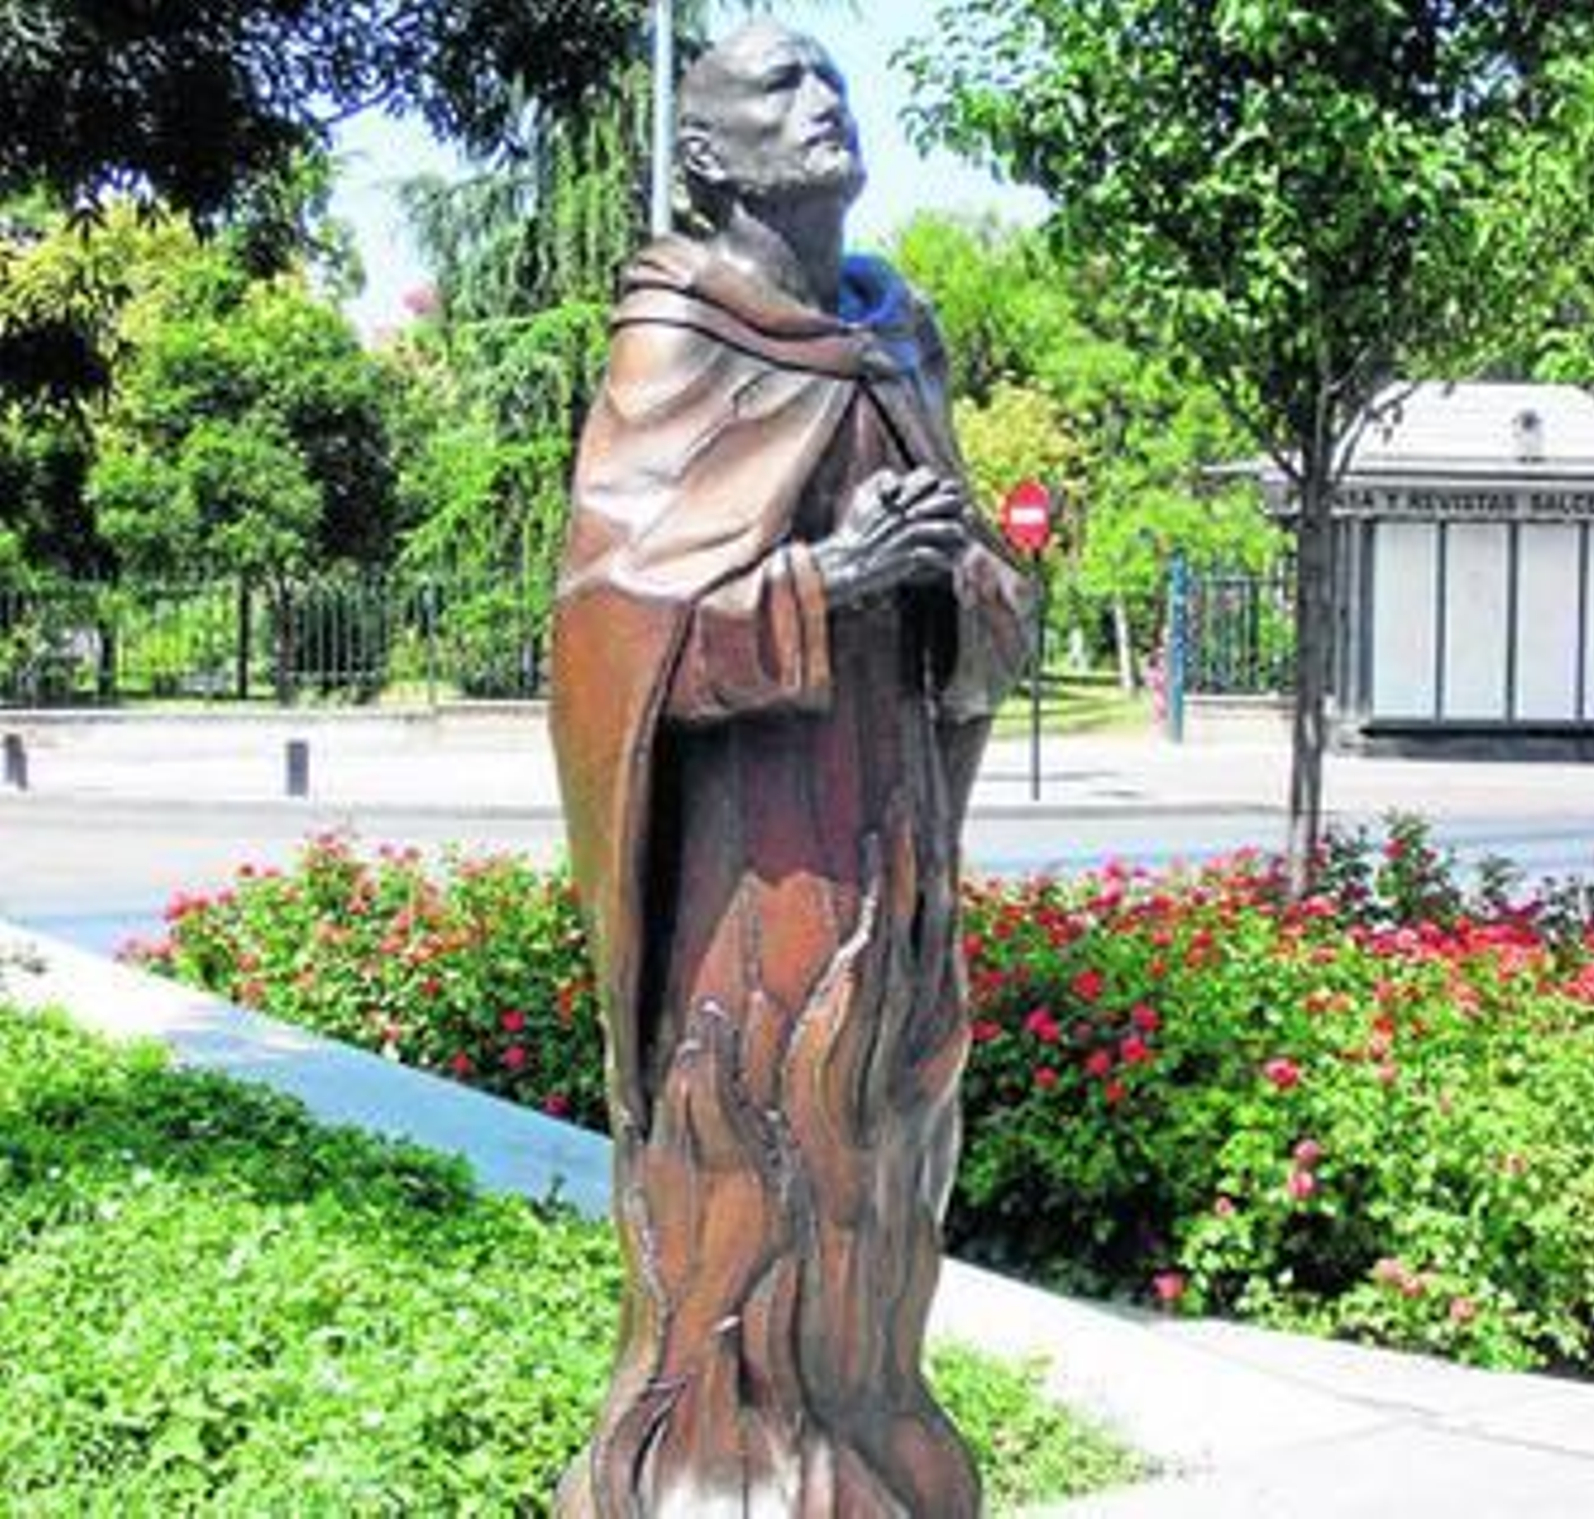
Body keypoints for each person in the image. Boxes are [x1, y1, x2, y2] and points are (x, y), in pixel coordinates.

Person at [550, 21, 1031, 1517]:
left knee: (886, 1159)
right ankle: (725, 1466)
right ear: (708, 154)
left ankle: (875, 1437)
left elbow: (982, 604)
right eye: (780, 86)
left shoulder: (895, 336)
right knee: (757, 1160)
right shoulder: (678, 339)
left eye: (831, 77)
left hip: (895, 855)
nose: (824, 102)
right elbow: (610, 635)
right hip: (753, 879)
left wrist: (962, 581)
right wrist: (824, 581)